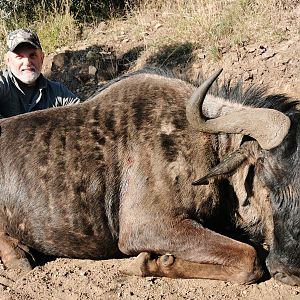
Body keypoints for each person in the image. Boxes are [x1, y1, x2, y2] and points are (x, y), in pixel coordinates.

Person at [0, 28, 80, 118]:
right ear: (8, 60)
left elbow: (81, 115)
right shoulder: (3, 85)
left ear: (42, 58)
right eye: (19, 57)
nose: (27, 62)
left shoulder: (58, 92)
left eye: (32, 55)